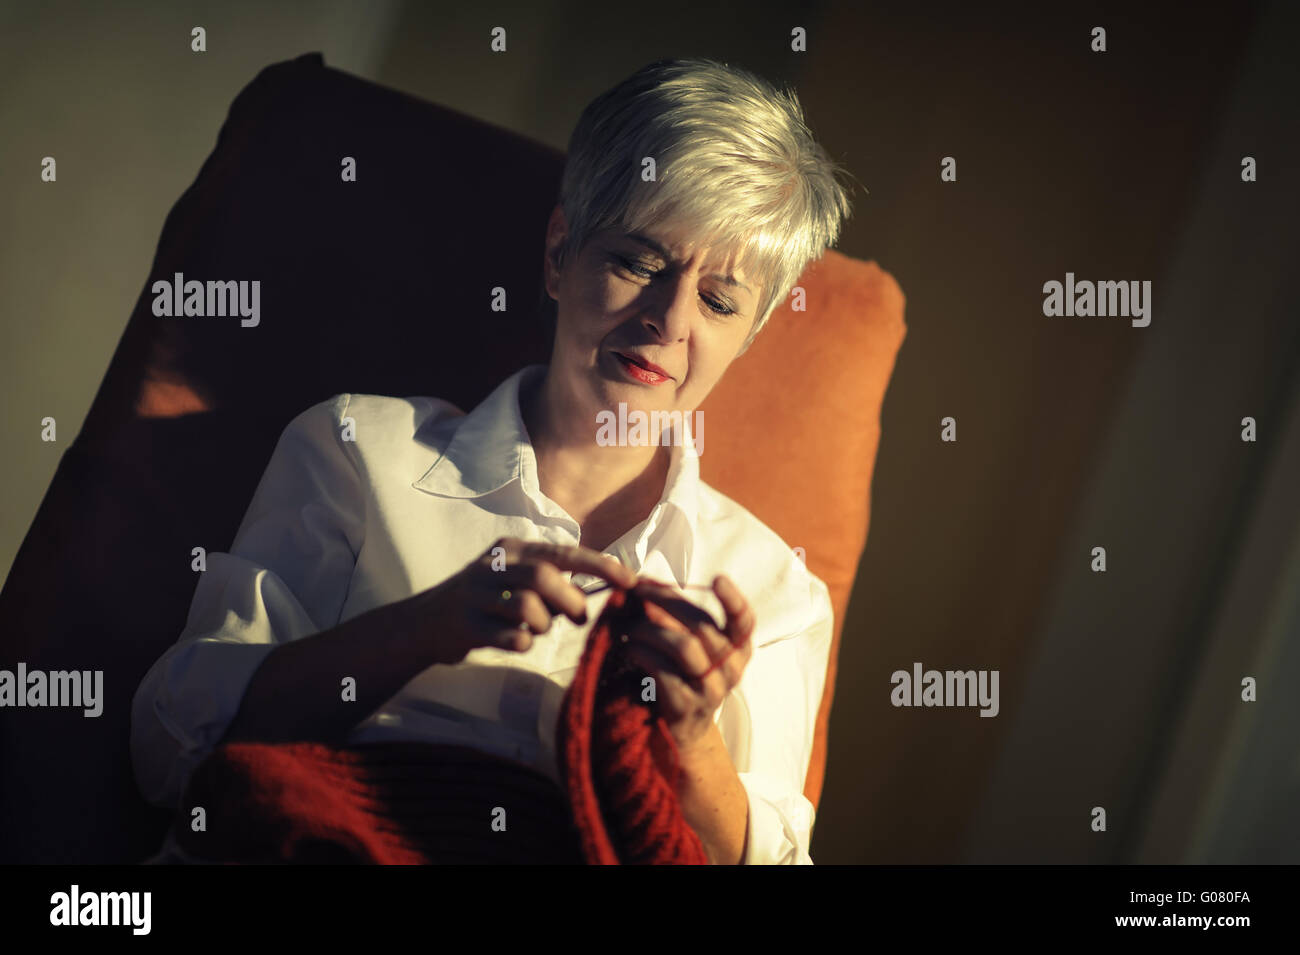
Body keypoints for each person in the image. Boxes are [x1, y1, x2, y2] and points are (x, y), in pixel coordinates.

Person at [130, 55, 855, 865]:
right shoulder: (357, 450)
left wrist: (692, 744)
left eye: (719, 300)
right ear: (557, 255)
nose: (668, 320)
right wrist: (422, 627)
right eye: (639, 262)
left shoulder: (776, 590)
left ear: (747, 337)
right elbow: (172, 747)